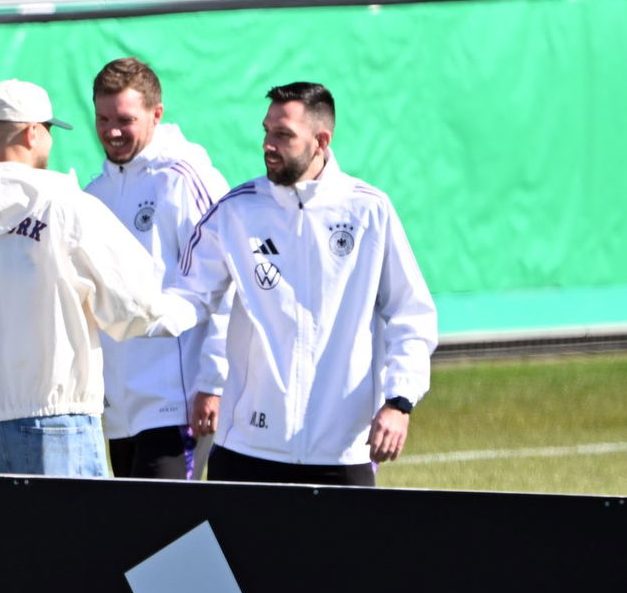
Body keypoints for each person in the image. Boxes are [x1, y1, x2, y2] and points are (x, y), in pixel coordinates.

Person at [0, 78, 203, 477]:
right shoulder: (69, 207)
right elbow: (132, 305)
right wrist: (188, 307)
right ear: (33, 132)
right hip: (61, 425)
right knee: (68, 540)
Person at [183, 82, 437, 486]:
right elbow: (186, 298)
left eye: (283, 135)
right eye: (266, 131)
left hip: (341, 455)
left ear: (321, 141)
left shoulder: (369, 210)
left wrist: (399, 401)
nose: (268, 144)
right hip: (246, 449)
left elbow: (412, 316)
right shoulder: (237, 211)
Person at [85, 57, 231, 480]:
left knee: (167, 533)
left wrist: (214, 382)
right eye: (103, 118)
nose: (112, 131)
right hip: (119, 410)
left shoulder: (184, 179)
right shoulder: (95, 194)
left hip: (176, 402)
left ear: (156, 114)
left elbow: (226, 284)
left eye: (125, 119)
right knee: (134, 536)